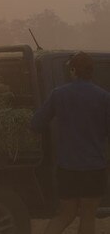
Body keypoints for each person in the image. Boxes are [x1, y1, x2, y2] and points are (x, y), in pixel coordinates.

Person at [31, 52, 110, 234]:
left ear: (73, 70)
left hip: (67, 168)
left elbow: (36, 123)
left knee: (66, 214)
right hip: (93, 168)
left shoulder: (58, 94)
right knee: (88, 215)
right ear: (91, 71)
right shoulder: (104, 98)